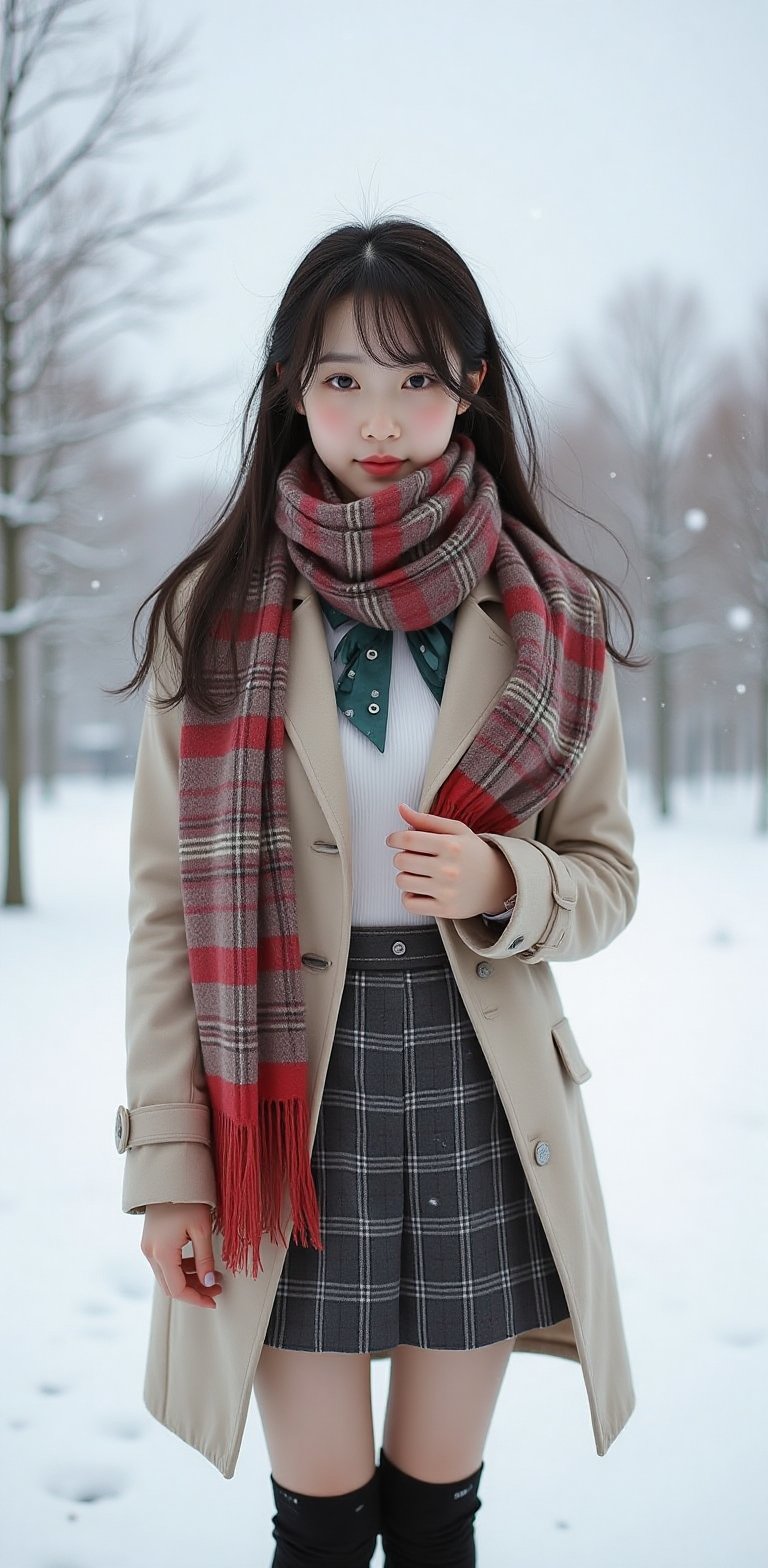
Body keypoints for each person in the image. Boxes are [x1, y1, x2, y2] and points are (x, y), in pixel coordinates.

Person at [111, 215, 644, 1568]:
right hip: (280, 1091)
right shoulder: (215, 613)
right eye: (341, 378)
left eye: (416, 376)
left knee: (436, 1511)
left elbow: (606, 878)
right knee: (323, 1518)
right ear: (291, 389)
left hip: (479, 1078)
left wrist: (501, 878)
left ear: (473, 383)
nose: (381, 416)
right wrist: (172, 1173)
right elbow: (171, 911)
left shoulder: (551, 618)